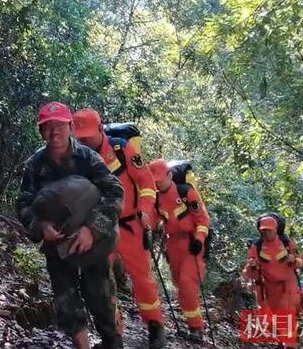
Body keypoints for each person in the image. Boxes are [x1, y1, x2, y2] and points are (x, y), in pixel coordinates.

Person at [16, 102, 125, 349]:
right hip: (57, 246)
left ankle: (111, 342)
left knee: (100, 298)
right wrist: (40, 226)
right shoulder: (35, 164)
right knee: (67, 303)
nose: (55, 132)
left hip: (92, 243)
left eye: (60, 126)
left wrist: (92, 229)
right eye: (48, 127)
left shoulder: (88, 159)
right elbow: (23, 203)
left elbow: (115, 192)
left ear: (70, 127)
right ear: (41, 131)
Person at [72, 108, 165, 348]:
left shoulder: (122, 150)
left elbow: (146, 181)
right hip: (100, 228)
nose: (84, 142)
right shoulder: (78, 158)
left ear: (100, 130)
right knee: (103, 281)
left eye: (88, 137)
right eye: (80, 138)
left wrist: (146, 210)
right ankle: (114, 335)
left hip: (131, 224)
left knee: (142, 278)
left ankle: (155, 326)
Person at [148, 158, 210, 343]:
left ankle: (197, 329)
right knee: (180, 285)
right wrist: (146, 232)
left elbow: (203, 220)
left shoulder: (186, 193)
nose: (157, 183)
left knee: (187, 283)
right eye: (154, 180)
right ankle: (191, 325)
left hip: (191, 243)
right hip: (173, 245)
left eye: (160, 179)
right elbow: (152, 219)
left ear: (169, 175)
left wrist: (199, 239)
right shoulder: (157, 197)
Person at [242, 214, 303, 349]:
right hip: (269, 286)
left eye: (269, 230)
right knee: (275, 315)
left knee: (287, 313)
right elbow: (248, 271)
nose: (266, 233)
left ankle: (290, 345)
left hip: (288, 284)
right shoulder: (256, 247)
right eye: (263, 230)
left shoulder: (288, 243)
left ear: (276, 229)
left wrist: (293, 260)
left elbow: (300, 262)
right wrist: (251, 265)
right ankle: (283, 342)